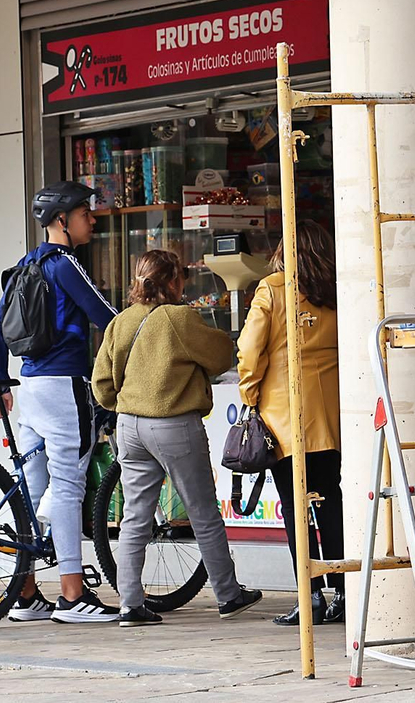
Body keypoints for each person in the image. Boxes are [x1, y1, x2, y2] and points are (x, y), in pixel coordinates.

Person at [92, 249, 263, 627]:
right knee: (202, 511)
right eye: (181, 277)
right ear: (172, 281)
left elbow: (101, 384)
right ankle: (228, 595)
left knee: (136, 517)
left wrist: (124, 403)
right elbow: (221, 356)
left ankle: (131, 604)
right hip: (173, 424)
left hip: (129, 425)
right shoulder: (179, 318)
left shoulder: (121, 322)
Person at [0, 181, 121, 624]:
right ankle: (71, 595)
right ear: (62, 221)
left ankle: (26, 595)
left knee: (30, 485)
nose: (93, 219)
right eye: (86, 213)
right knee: (68, 484)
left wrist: (0, 382)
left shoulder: (25, 265)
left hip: (30, 388)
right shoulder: (64, 263)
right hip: (65, 385)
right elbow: (106, 316)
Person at [236, 221, 343, 626]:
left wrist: (250, 395)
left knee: (296, 506)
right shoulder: (336, 290)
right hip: (332, 412)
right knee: (331, 500)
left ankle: (310, 596)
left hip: (286, 413)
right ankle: (345, 590)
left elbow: (249, 350)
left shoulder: (273, 288)